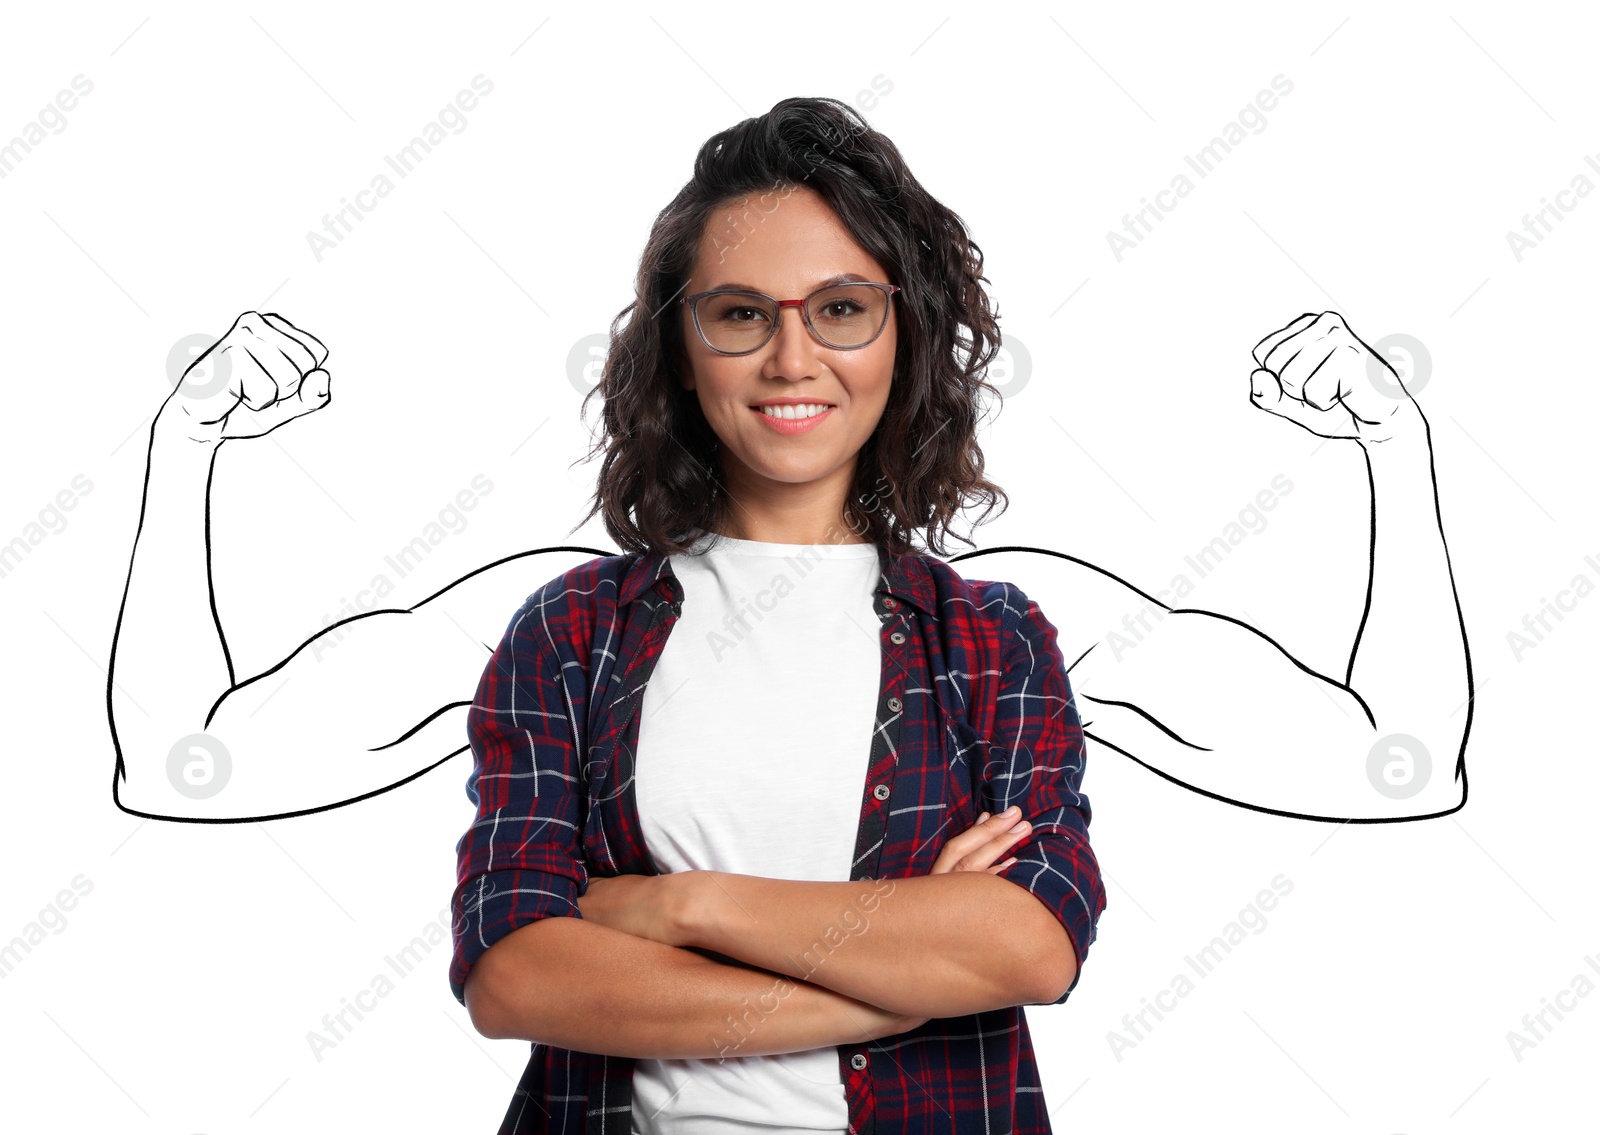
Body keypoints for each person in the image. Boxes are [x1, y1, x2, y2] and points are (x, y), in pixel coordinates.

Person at [105, 95, 1471, 1133]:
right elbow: (508, 968)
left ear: (907, 338)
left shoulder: (1000, 638)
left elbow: (1047, 940)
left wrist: (670, 905)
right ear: (678, 347)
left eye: (843, 308)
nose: (792, 357)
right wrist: (183, 454)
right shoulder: (567, 631)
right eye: (741, 313)